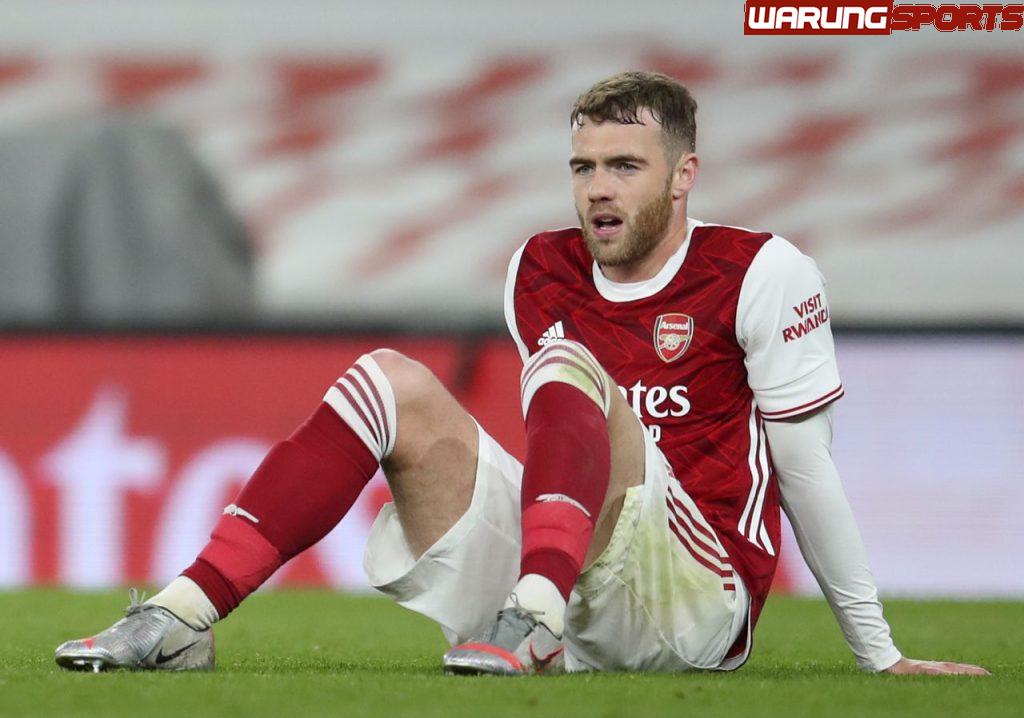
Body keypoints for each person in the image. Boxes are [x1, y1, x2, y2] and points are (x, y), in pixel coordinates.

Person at [54, 71, 987, 677]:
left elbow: (805, 468)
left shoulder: (763, 271)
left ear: (684, 176)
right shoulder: (538, 268)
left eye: (626, 166)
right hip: (575, 572)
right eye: (583, 166)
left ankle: (533, 618)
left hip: (697, 598)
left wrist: (879, 653)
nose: (598, 188)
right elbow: (562, 441)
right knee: (386, 379)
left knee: (570, 361)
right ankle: (180, 617)